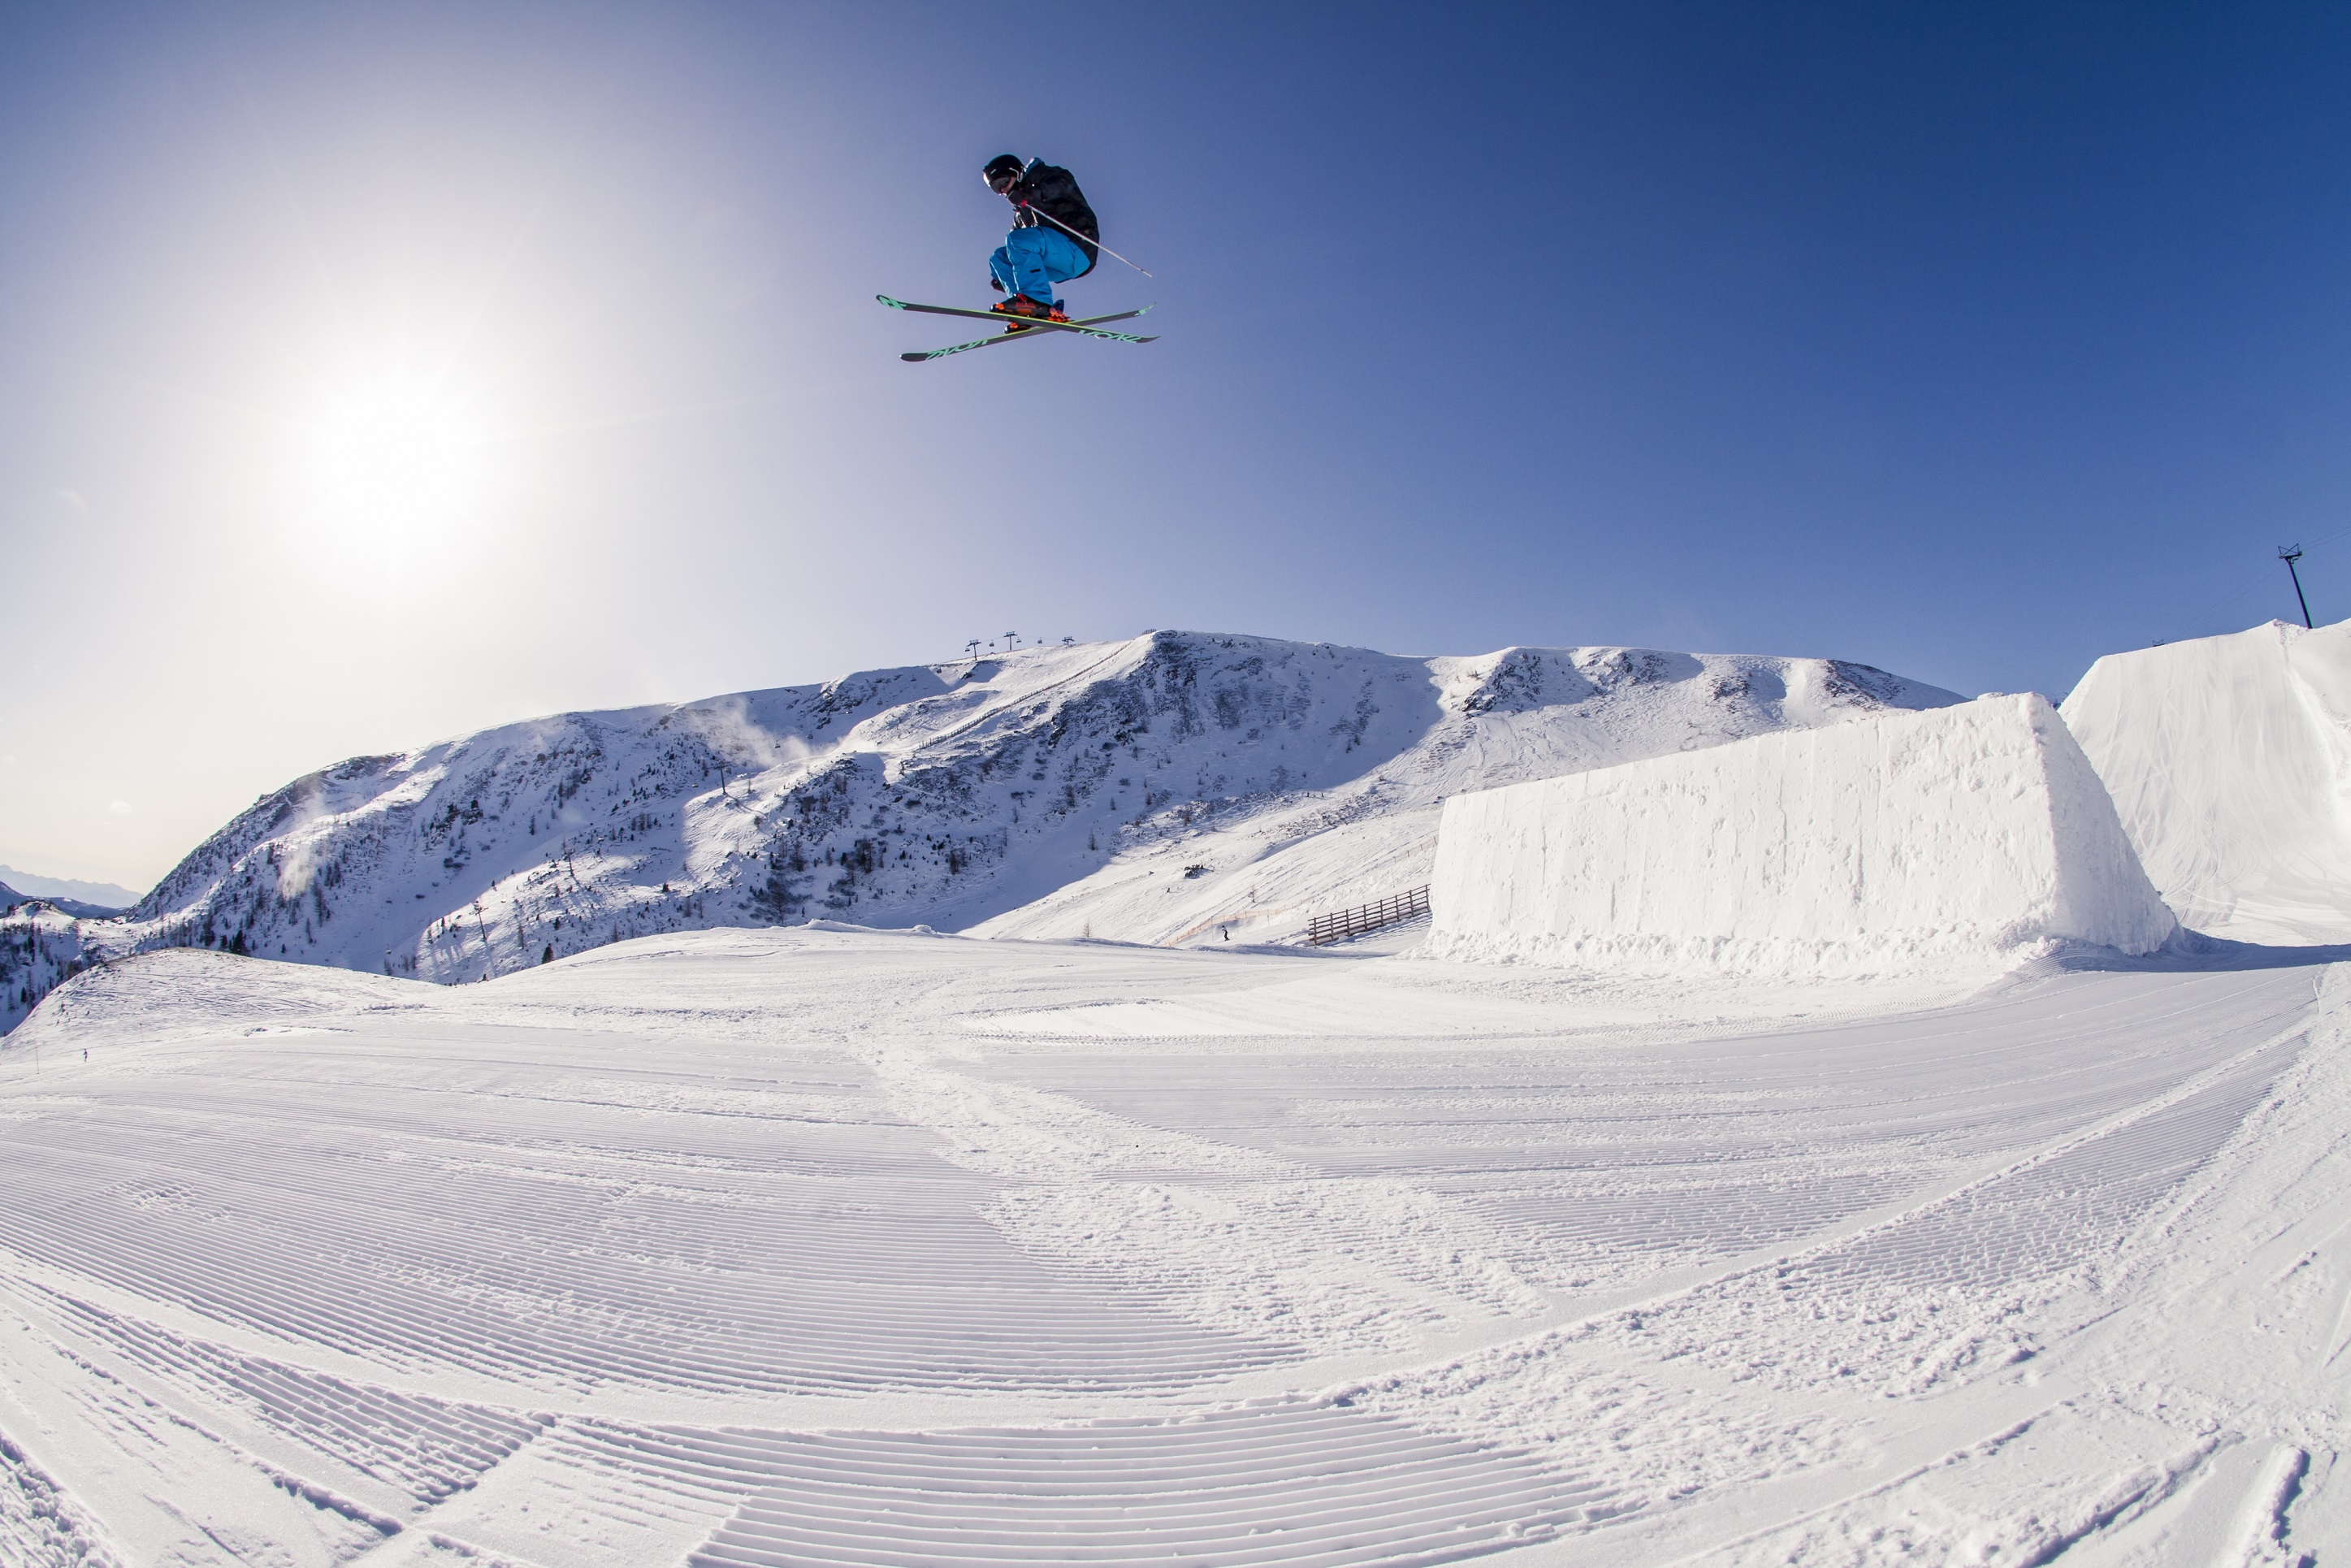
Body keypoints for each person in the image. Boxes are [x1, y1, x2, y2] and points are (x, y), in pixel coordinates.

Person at [981, 154, 1099, 329]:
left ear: (1016, 171)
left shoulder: (1043, 175)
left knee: (1017, 240)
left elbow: (1062, 184)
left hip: (1078, 246)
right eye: (997, 189)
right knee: (999, 257)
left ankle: (1037, 300)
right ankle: (1025, 309)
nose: (1003, 190)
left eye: (1003, 182)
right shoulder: (1021, 214)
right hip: (1058, 262)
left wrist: (1029, 195)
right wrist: (1002, 275)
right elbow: (1013, 250)